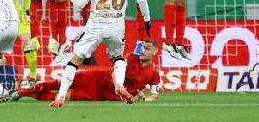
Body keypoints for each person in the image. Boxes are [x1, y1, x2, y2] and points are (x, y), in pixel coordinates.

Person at [49, 0, 151, 107]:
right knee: (118, 58)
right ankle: (119, 85)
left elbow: (80, 3)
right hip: (117, 26)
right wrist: (146, 19)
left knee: (75, 61)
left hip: (96, 26)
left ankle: (60, 97)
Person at [13, 40, 160, 102]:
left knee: (61, 96)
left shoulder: (153, 73)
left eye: (148, 49)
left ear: (155, 52)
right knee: (60, 83)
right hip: (96, 78)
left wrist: (144, 98)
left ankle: (27, 95)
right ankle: (21, 92)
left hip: (98, 94)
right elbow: (116, 72)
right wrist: (120, 88)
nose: (144, 51)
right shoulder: (131, 58)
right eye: (143, 48)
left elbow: (154, 95)